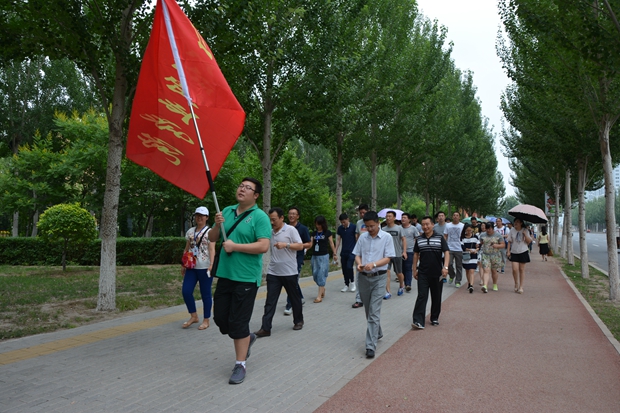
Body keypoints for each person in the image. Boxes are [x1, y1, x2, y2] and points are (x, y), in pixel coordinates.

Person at [209, 177, 271, 385]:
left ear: (255, 195)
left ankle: (240, 364)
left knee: (238, 323)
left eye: (248, 188)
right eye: (241, 186)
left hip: (246, 277)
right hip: (226, 275)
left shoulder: (259, 217)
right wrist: (217, 226)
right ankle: (247, 337)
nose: (242, 189)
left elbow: (263, 246)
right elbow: (212, 238)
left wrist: (235, 247)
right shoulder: (226, 211)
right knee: (220, 320)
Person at [254, 207, 304, 338]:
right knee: (270, 301)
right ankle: (265, 328)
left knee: (294, 298)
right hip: (274, 272)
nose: (272, 222)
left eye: (274, 219)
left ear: (282, 218)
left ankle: (298, 320)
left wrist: (286, 245)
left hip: (289, 272)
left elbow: (300, 246)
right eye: (270, 219)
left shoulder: (291, 230)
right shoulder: (270, 233)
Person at [352, 210, 395, 358]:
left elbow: (388, 258)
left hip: (379, 277)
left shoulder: (387, 237)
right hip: (363, 277)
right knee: (368, 310)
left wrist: (374, 264)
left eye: (372, 226)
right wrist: (359, 264)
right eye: (367, 226)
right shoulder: (363, 238)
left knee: (374, 311)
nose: (369, 229)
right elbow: (357, 254)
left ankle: (370, 346)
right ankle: (378, 331)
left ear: (378, 223)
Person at [181, 206, 216, 330]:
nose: (199, 218)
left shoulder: (210, 232)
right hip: (191, 266)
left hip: (205, 267)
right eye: (197, 215)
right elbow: (187, 247)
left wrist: (212, 265)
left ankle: (206, 320)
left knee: (205, 294)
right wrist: (183, 263)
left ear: (207, 217)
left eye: (202, 215)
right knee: (186, 291)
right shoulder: (190, 231)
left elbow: (212, 248)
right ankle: (194, 316)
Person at [412, 216, 449, 329]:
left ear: (433, 225)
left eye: (427, 224)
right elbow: (416, 254)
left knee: (436, 296)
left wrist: (445, 267)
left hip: (437, 272)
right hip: (423, 272)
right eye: (423, 224)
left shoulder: (439, 237)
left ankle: (434, 317)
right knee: (422, 296)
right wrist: (414, 269)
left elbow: (446, 251)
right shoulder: (419, 239)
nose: (425, 227)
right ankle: (418, 321)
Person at [283, 207, 312, 315]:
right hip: (285, 258)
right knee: (290, 280)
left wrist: (298, 246)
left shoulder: (303, 229)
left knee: (292, 281)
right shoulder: (284, 228)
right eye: (290, 213)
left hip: (297, 258)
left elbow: (309, 244)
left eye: (294, 214)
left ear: (298, 216)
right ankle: (300, 297)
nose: (291, 216)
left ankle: (289, 304)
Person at [310, 215, 337, 303]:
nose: (317, 226)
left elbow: (331, 244)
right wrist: (305, 249)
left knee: (321, 274)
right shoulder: (313, 234)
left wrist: (334, 253)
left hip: (324, 256)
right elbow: (310, 244)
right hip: (314, 256)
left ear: (323, 224)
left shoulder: (327, 233)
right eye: (316, 224)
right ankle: (322, 288)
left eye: (319, 224)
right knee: (315, 274)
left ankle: (319, 296)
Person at [383, 211, 407, 297]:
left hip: (397, 254)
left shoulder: (399, 228)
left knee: (399, 273)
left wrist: (404, 252)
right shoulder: (383, 229)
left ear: (394, 218)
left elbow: (404, 240)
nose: (388, 218)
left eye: (390, 216)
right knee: (387, 272)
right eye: (387, 216)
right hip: (386, 255)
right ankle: (388, 292)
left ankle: (401, 285)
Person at [506, 217, 533, 294]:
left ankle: (521, 287)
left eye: (517, 222)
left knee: (521, 269)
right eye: (515, 222)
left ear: (521, 223)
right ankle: (516, 283)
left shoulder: (525, 230)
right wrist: (508, 251)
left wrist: (525, 234)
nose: (516, 223)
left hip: (523, 251)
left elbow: (528, 241)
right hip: (514, 251)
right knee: (514, 269)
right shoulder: (512, 230)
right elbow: (509, 241)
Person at [479, 221, 505, 292]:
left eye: (489, 229)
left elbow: (503, 245)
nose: (488, 230)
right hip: (485, 255)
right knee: (486, 270)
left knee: (494, 271)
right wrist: (478, 245)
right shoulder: (482, 235)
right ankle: (485, 286)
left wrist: (497, 245)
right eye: (487, 229)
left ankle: (495, 284)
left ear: (493, 228)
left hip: (495, 256)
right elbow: (480, 243)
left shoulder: (498, 235)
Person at [352, 204, 369, 308]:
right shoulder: (359, 223)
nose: (362, 214)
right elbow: (357, 236)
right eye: (361, 213)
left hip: (372, 254)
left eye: (364, 212)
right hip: (361, 254)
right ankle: (358, 299)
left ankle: (369, 297)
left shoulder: (374, 221)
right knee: (359, 276)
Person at [336, 213, 357, 292]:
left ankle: (352, 282)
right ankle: (346, 284)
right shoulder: (340, 228)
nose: (343, 224)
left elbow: (356, 238)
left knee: (349, 267)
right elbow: (338, 240)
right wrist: (335, 250)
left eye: (344, 222)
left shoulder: (353, 227)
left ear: (348, 219)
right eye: (342, 222)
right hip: (343, 251)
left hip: (352, 251)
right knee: (344, 269)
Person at [444, 212, 465, 287]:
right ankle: (452, 275)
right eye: (454, 215)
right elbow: (445, 235)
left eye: (457, 215)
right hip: (449, 247)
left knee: (458, 265)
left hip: (459, 248)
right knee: (449, 264)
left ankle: (458, 281)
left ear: (459, 217)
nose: (455, 217)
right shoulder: (448, 225)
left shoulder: (462, 225)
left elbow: (464, 236)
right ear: (452, 217)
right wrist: (443, 245)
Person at [400, 213, 419, 292]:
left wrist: (417, 251)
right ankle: (403, 283)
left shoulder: (413, 228)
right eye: (402, 218)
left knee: (408, 268)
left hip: (410, 251)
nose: (403, 219)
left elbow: (417, 238)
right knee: (401, 269)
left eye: (405, 218)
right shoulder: (399, 228)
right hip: (399, 252)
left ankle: (408, 284)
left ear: (409, 220)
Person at [461, 224, 480, 294]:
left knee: (472, 270)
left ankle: (471, 285)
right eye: (467, 230)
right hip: (466, 255)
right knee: (467, 270)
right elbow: (462, 247)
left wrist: (476, 249)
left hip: (474, 255)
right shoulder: (462, 238)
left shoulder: (475, 237)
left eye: (470, 230)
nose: (469, 232)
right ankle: (469, 283)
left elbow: (479, 245)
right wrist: (469, 250)